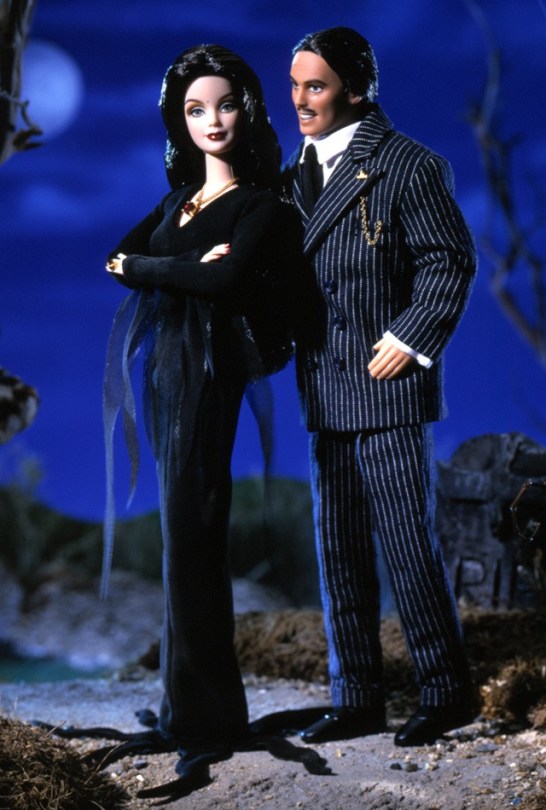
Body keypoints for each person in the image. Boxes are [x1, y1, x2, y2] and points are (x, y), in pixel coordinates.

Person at [102, 43, 304, 784]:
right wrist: (181, 267)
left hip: (210, 373)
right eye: (194, 109)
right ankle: (182, 707)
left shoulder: (260, 205)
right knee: (178, 537)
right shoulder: (175, 201)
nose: (211, 120)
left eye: (224, 104)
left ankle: (209, 719)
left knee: (196, 533)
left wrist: (165, 271)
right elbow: (118, 260)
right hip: (164, 371)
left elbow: (221, 283)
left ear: (247, 110)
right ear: (178, 121)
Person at [283, 26, 477, 747]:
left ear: (357, 89)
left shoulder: (407, 165)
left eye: (316, 86)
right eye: (295, 85)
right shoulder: (292, 174)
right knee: (338, 550)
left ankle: (446, 689)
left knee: (405, 542)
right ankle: (357, 694)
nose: (300, 99)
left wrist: (411, 336)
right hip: (324, 384)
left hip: (386, 386)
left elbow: (449, 260)